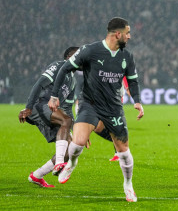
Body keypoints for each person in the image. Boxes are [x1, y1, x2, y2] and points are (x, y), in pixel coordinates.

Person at [48, 17, 144, 202]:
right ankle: (72, 164)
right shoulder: (90, 50)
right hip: (89, 103)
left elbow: (132, 80)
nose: (129, 37)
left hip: (114, 108)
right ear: (118, 34)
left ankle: (128, 184)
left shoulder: (127, 56)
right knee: (78, 142)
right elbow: (64, 69)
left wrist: (137, 101)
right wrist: (54, 95)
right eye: (127, 33)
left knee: (123, 150)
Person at [18, 46, 79, 187]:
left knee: (71, 149)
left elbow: (68, 109)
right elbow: (39, 84)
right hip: (39, 105)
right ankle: (59, 163)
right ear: (69, 57)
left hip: (52, 112)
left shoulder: (73, 81)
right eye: (79, 55)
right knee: (66, 121)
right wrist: (28, 107)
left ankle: (37, 175)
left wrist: (76, 130)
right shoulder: (58, 66)